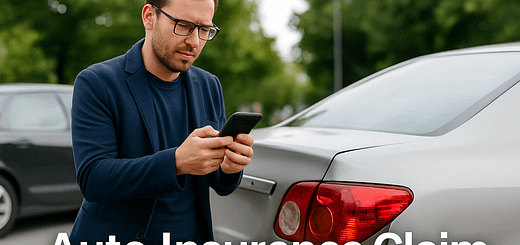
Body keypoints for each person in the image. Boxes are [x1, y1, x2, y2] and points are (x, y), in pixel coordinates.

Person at [69, 0, 254, 244]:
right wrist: (176, 162)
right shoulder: (96, 83)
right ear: (149, 17)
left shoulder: (209, 85)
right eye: (184, 25)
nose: (195, 41)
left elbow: (219, 184)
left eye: (204, 29)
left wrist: (230, 168)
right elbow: (93, 179)